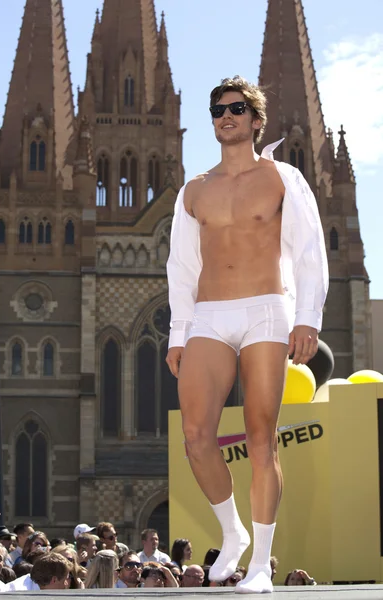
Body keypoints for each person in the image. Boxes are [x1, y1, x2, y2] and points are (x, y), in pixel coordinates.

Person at [166, 75, 328, 594]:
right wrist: (178, 332)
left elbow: (309, 250)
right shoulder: (194, 191)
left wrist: (308, 317)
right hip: (211, 314)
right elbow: (182, 268)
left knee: (261, 439)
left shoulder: (282, 178)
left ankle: (261, 561)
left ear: (256, 120)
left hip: (266, 309)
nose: (225, 117)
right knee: (196, 437)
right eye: (217, 111)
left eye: (235, 109)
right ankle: (231, 532)